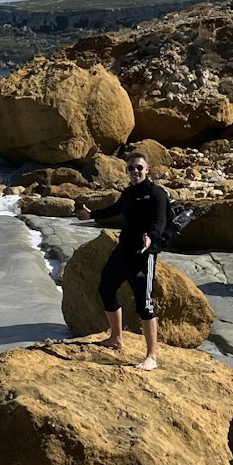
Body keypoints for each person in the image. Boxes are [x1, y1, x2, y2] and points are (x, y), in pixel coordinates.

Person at [74, 153, 169, 371]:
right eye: (131, 168)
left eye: (139, 168)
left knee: (144, 304)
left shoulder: (157, 194)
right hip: (123, 250)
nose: (135, 171)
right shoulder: (128, 192)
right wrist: (92, 215)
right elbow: (115, 210)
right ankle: (116, 338)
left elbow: (160, 221)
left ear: (147, 170)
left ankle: (151, 357)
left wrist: (151, 237)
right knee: (106, 287)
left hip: (143, 253)